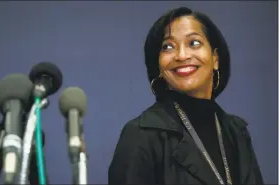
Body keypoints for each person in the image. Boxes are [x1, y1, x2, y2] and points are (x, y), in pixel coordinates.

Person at [108, 6, 264, 185]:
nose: (182, 55)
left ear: (215, 58)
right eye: (168, 47)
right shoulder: (140, 135)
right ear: (158, 66)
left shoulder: (236, 132)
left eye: (194, 43)